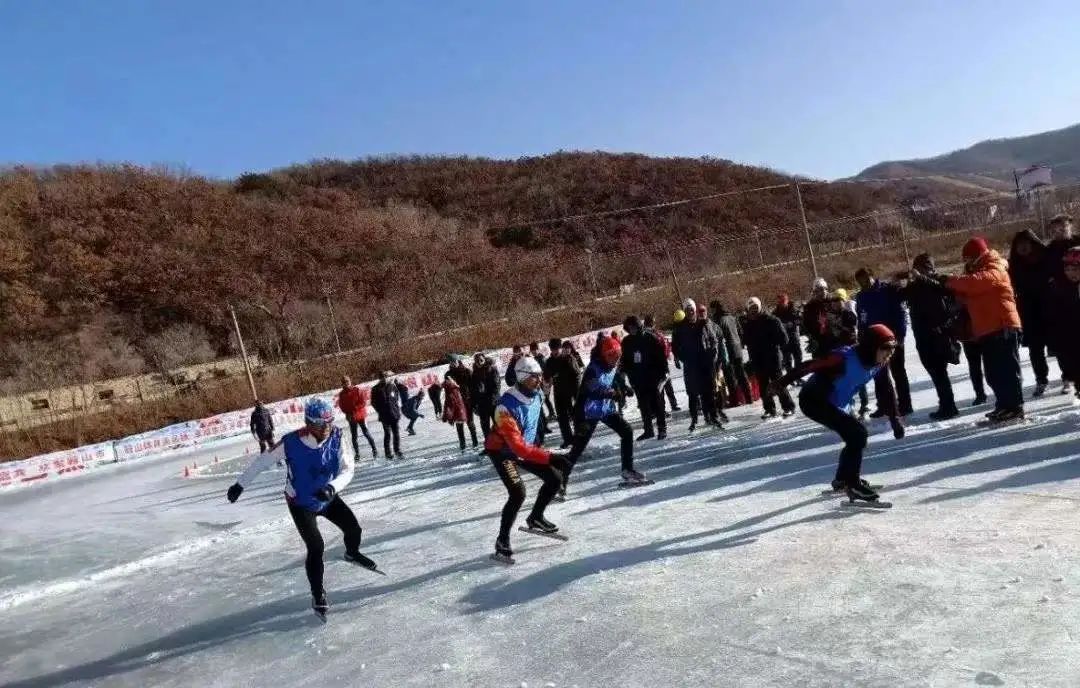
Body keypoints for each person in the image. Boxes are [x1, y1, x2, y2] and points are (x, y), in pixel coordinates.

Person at [226, 397, 378, 618]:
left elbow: (348, 469)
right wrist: (240, 485)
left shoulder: (337, 435)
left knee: (354, 530)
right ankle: (318, 593)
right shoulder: (291, 442)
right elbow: (262, 462)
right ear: (308, 422)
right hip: (300, 503)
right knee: (316, 547)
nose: (326, 427)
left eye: (329, 421)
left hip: (327, 496)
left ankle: (352, 553)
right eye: (320, 423)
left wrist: (331, 488)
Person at [775, 324, 905, 504]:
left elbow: (887, 391)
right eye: (885, 348)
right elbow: (810, 365)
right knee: (858, 434)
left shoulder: (880, 363)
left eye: (892, 348)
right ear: (871, 345)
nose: (889, 353)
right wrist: (781, 382)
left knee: (854, 436)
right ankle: (853, 484)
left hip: (836, 403)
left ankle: (843, 480)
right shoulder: (843, 357)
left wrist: (895, 419)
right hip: (814, 400)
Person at [485, 356, 571, 563]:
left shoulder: (537, 394)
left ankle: (536, 517)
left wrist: (541, 450)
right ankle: (502, 541)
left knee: (554, 478)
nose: (539, 381)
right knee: (518, 492)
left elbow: (534, 424)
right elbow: (517, 447)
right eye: (534, 377)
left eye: (540, 376)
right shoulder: (504, 407)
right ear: (522, 377)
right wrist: (550, 456)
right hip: (503, 452)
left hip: (525, 447)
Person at [933, 236, 1025, 423]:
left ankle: (1014, 407)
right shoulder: (979, 271)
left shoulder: (995, 267)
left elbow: (976, 283)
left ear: (977, 255)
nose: (966, 262)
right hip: (987, 329)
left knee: (1007, 370)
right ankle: (1004, 405)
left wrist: (949, 280)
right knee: (993, 372)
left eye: (968, 258)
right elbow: (970, 293)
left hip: (1003, 325)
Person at [564, 335, 648, 495]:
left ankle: (627, 469)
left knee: (627, 431)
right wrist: (610, 393)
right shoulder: (592, 369)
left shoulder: (613, 365)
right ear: (605, 355)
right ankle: (560, 481)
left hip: (604, 410)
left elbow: (615, 377)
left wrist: (625, 387)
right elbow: (591, 389)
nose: (616, 360)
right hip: (587, 412)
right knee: (577, 449)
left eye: (618, 356)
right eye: (613, 356)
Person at [904, 254, 962, 420]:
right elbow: (902, 295)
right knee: (936, 373)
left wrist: (922, 278)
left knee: (940, 373)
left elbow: (943, 288)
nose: (918, 272)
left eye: (922, 268)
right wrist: (899, 282)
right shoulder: (915, 286)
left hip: (938, 335)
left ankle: (948, 406)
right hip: (922, 336)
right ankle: (946, 404)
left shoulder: (936, 281)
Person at [854, 267, 913, 416]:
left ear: (872, 277)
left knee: (898, 372)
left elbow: (900, 313)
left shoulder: (887, 290)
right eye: (861, 282)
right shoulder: (861, 297)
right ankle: (884, 405)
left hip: (892, 339)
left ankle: (905, 405)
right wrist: (862, 338)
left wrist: (900, 335)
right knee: (878, 374)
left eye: (866, 279)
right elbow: (862, 319)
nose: (864, 283)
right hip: (873, 342)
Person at [1009, 230, 1056, 397]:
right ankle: (1041, 380)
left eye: (1025, 243)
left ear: (1032, 243)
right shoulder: (1014, 264)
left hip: (1050, 308)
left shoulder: (1046, 258)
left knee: (1060, 345)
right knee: (1035, 350)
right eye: (1019, 245)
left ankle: (1068, 378)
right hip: (1028, 312)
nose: (1022, 247)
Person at [673, 299, 724, 431]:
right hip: (691, 365)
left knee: (709, 391)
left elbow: (714, 339)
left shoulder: (703, 323)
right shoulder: (680, 328)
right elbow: (675, 346)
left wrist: (712, 354)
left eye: (692, 309)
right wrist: (683, 357)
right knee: (693, 394)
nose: (690, 311)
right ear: (684, 311)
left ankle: (713, 416)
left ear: (695, 310)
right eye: (687, 309)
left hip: (705, 363)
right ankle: (694, 419)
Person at [743, 297, 795, 419]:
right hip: (758, 359)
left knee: (778, 384)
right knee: (763, 386)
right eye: (751, 308)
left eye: (756, 307)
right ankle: (769, 409)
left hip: (773, 357)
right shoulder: (748, 324)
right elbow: (746, 341)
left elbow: (784, 339)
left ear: (760, 307)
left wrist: (772, 343)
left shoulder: (772, 320)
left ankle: (788, 407)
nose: (754, 310)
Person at [620, 315, 669, 440]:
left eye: (634, 327)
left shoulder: (649, 337)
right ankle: (648, 430)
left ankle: (662, 429)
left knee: (657, 404)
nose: (632, 329)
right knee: (644, 406)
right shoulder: (626, 342)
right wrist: (623, 371)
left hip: (653, 377)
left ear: (638, 326)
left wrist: (664, 372)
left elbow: (660, 356)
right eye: (629, 327)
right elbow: (625, 360)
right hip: (637, 378)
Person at [1048, 248, 1080, 399]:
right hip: (1072, 343)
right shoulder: (1061, 288)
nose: (1070, 273)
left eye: (1074, 269)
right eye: (1067, 269)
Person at [710, 301, 753, 406]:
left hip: (727, 351)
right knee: (742, 374)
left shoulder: (718, 320)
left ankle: (735, 400)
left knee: (730, 376)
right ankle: (748, 397)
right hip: (737, 349)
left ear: (715, 309)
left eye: (712, 309)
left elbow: (718, 338)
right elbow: (740, 331)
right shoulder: (732, 317)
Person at [543, 339, 583, 449]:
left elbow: (577, 375)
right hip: (558, 393)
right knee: (562, 417)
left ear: (560, 348)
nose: (555, 351)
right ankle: (567, 439)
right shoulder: (549, 362)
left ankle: (579, 438)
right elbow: (546, 378)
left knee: (574, 415)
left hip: (571, 391)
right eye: (553, 349)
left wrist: (577, 393)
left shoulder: (568, 358)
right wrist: (546, 387)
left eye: (557, 349)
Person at [338, 376, 378, 459]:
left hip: (360, 415)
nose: (346, 383)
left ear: (350, 381)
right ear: (342, 384)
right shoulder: (342, 394)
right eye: (344, 382)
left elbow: (363, 402)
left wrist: (355, 409)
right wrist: (348, 412)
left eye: (347, 381)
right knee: (354, 436)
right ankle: (357, 454)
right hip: (351, 417)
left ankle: (374, 450)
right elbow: (341, 406)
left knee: (366, 432)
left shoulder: (357, 390)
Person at [371, 371, 408, 458]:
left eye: (386, 377)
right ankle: (388, 453)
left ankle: (397, 450)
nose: (384, 378)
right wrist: (380, 410)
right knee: (387, 433)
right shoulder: (375, 389)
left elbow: (396, 398)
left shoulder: (392, 386)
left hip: (394, 413)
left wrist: (396, 409)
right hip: (384, 415)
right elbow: (373, 402)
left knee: (396, 433)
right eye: (382, 377)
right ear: (379, 379)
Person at [446, 356, 480, 448]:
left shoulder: (467, 372)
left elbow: (474, 387)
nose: (452, 363)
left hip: (467, 401)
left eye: (454, 361)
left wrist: (474, 400)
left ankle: (475, 441)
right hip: (456, 403)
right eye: (451, 362)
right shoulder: (448, 374)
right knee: (459, 424)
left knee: (470, 422)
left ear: (458, 361)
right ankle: (462, 443)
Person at [470, 352, 502, 439]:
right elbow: (473, 390)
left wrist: (491, 398)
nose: (479, 362)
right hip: (482, 405)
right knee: (485, 427)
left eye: (481, 360)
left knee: (497, 425)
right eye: (477, 361)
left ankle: (500, 445)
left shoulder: (492, 370)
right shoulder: (475, 373)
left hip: (493, 402)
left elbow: (497, 387)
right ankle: (489, 446)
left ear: (484, 360)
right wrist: (474, 404)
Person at [773, 294, 803, 377]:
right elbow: (773, 324)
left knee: (798, 356)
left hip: (794, 336)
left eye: (784, 301)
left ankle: (798, 375)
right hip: (783, 338)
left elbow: (800, 319)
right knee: (787, 359)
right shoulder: (775, 312)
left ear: (787, 300)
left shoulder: (793, 309)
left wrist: (792, 323)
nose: (783, 303)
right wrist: (782, 325)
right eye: (781, 302)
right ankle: (790, 376)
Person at [441, 375, 471, 452]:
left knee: (460, 430)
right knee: (470, 426)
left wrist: (445, 416)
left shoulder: (449, 391)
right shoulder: (456, 387)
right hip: (464, 409)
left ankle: (463, 446)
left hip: (458, 412)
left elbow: (448, 405)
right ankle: (473, 443)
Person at [531, 341, 557, 425]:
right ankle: (550, 413)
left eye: (535, 350)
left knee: (545, 398)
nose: (533, 352)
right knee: (543, 398)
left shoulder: (541, 358)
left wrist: (548, 381)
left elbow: (546, 370)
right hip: (539, 382)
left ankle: (552, 413)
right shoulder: (534, 359)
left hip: (545, 381)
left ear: (538, 349)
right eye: (532, 350)